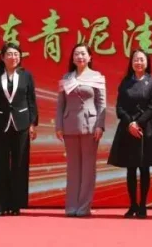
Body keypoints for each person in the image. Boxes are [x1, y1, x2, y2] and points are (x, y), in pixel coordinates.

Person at [108, 50, 152, 219]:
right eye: (135, 60)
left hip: (146, 128)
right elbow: (119, 107)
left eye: (141, 59)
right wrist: (130, 123)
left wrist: (139, 123)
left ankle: (143, 205)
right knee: (130, 168)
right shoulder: (126, 82)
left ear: (147, 62)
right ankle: (133, 204)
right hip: (128, 128)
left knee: (144, 167)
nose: (138, 63)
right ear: (131, 63)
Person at [0, 43, 38, 216]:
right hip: (0, 124)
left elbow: (31, 101)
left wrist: (33, 124)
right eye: (9, 54)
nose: (13, 57)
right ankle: (0, 205)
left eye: (16, 54)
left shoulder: (26, 76)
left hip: (22, 124)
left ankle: (16, 205)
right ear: (2, 57)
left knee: (19, 164)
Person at [55, 43, 106, 217]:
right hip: (69, 125)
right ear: (72, 58)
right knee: (73, 168)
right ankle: (71, 207)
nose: (80, 57)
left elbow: (101, 103)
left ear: (90, 57)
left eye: (83, 54)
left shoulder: (97, 77)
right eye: (76, 54)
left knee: (88, 169)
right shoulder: (66, 77)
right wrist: (59, 126)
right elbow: (60, 104)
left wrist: (100, 125)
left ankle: (83, 207)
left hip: (90, 126)